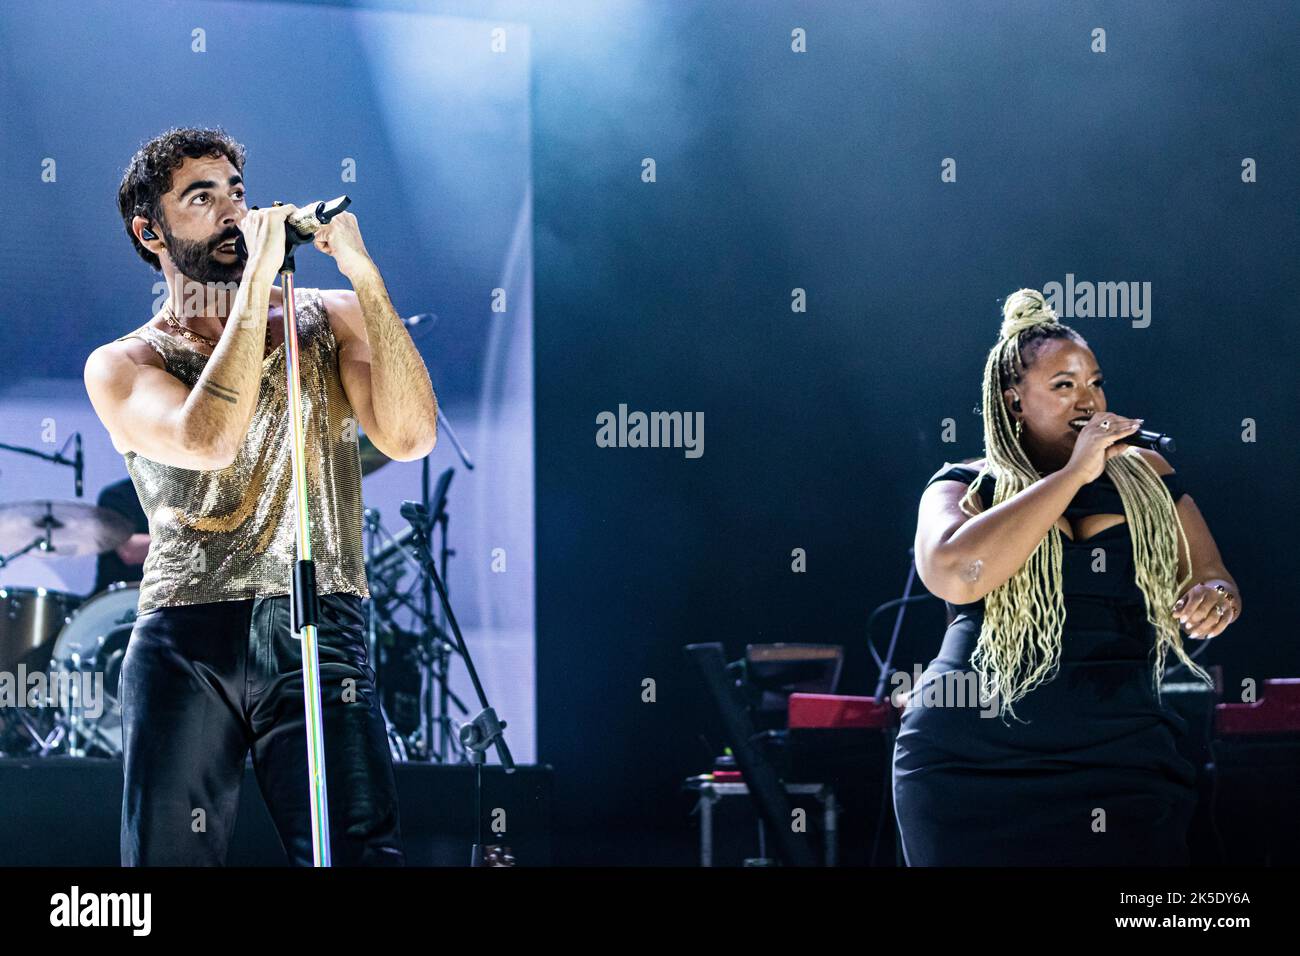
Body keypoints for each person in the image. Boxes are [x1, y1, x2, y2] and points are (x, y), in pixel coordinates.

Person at [83, 127, 439, 866]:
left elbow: (411, 438)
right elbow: (209, 438)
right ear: (150, 231)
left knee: (359, 856)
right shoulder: (122, 363)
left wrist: (365, 278)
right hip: (185, 636)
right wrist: (257, 285)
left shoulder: (326, 320)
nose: (230, 212)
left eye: (236, 193)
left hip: (319, 623)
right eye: (201, 197)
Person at [893, 288, 1241, 866]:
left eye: (1094, 382)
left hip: (1121, 749)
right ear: (1013, 400)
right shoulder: (964, 484)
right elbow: (956, 576)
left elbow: (1214, 576)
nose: (1088, 400)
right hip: (973, 759)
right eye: (1063, 386)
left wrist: (1214, 599)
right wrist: (1076, 473)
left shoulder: (1147, 472)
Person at [92, 476, 150, 594]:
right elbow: (129, 551)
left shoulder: (186, 494)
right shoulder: (117, 495)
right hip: (120, 600)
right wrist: (189, 539)